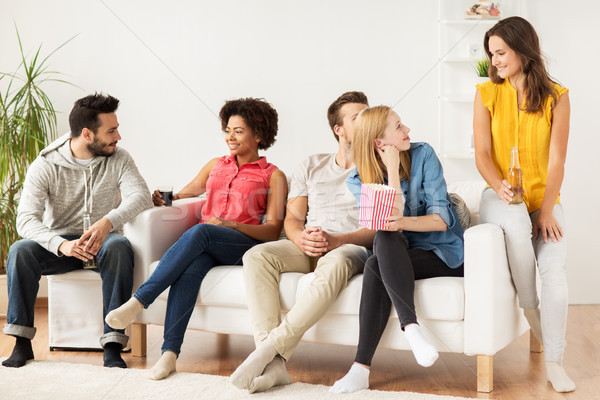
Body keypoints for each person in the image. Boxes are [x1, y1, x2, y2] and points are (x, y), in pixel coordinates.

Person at [105, 97, 287, 380]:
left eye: (238, 131)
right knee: (190, 270)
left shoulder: (273, 175)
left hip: (242, 245)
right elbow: (185, 193)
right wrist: (165, 198)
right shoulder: (216, 165)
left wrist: (229, 224)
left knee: (202, 230)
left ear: (259, 134)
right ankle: (169, 354)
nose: (230, 137)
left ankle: (140, 300)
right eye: (228, 129)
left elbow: (273, 230)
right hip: (207, 243)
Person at [230, 91, 375, 393]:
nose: (366, 121)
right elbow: (293, 219)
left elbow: (377, 229)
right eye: (356, 117)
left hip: (349, 247)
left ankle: (268, 350)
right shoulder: (312, 165)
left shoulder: (377, 168)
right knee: (257, 256)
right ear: (339, 130)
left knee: (335, 261)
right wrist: (300, 237)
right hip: (308, 244)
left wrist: (336, 240)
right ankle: (273, 367)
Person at [2, 93, 153, 369]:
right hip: (59, 247)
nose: (118, 136)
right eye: (111, 130)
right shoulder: (45, 165)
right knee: (20, 250)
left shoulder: (119, 158)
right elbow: (25, 219)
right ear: (87, 133)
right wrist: (61, 245)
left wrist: (108, 222)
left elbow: (141, 196)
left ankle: (112, 343)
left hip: (104, 244)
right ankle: (21, 343)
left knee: (119, 246)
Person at [329, 106, 464, 393]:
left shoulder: (423, 154)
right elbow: (389, 226)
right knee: (383, 242)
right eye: (400, 127)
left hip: (443, 253)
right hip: (398, 254)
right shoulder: (357, 180)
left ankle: (364, 364)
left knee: (377, 257)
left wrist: (399, 219)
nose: (408, 131)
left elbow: (440, 222)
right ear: (380, 143)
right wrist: (391, 171)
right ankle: (409, 332)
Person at [473, 16, 574, 393]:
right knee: (515, 224)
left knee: (555, 271)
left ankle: (555, 362)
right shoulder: (486, 94)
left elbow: (557, 161)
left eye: (500, 53)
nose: (494, 61)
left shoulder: (557, 97)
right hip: (499, 197)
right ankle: (531, 311)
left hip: (542, 200)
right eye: (491, 54)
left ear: (521, 49)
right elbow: (482, 154)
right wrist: (499, 187)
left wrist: (546, 210)